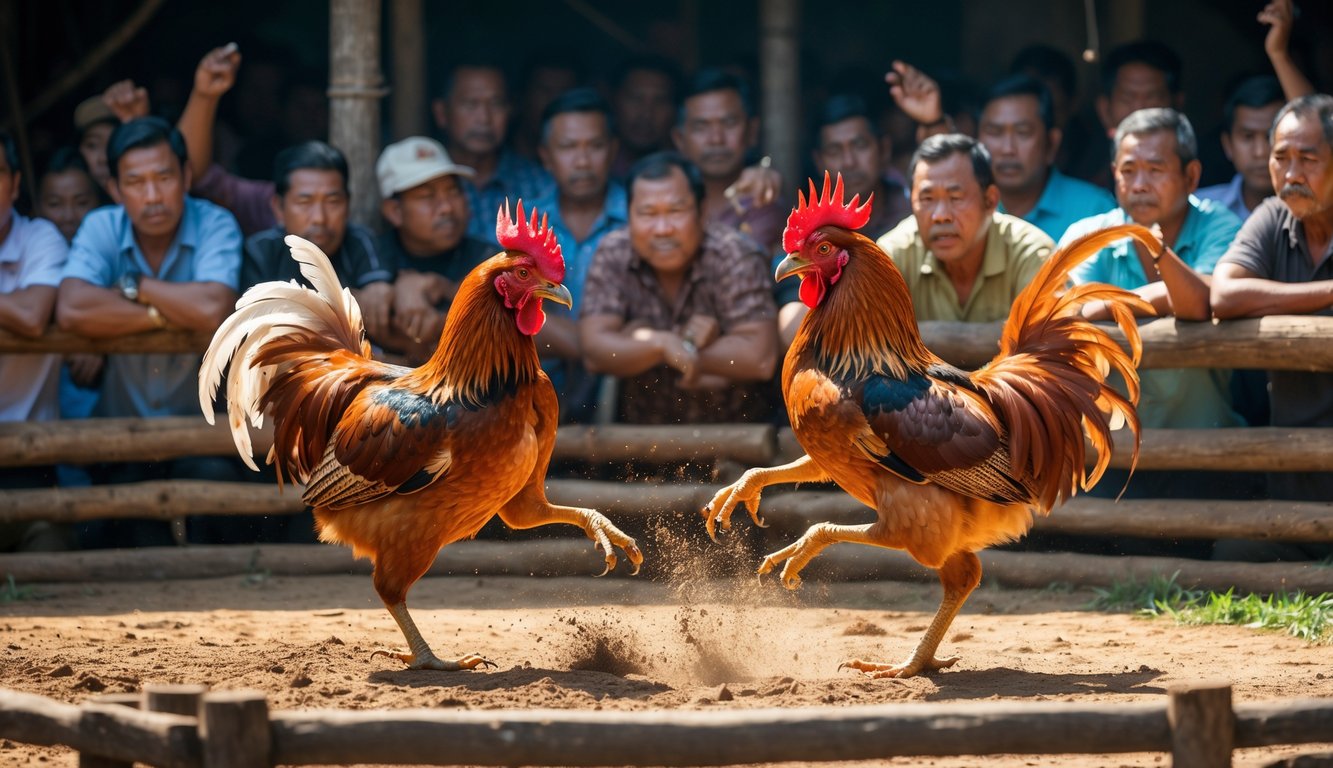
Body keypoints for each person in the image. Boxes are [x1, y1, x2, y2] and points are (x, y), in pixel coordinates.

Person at [56, 117, 244, 548]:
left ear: (187, 176)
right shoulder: (102, 227)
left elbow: (212, 307)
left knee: (221, 517)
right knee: (118, 537)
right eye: (136, 183)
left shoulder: (216, 223)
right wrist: (166, 315)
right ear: (115, 190)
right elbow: (71, 308)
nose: (153, 195)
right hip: (121, 439)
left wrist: (134, 287)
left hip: (200, 437)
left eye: (164, 177)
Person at [1063, 108, 1250, 519]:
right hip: (1109, 453)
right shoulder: (1088, 235)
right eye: (1129, 170)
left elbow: (1203, 301)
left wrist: (1122, 294)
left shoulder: (1221, 225)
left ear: (1192, 176)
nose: (1140, 183)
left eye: (1155, 168)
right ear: (1114, 174)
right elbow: (1071, 312)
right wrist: (1172, 292)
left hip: (1207, 450)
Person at [1211, 94, 1333, 561]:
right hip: (1294, 481)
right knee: (1231, 557)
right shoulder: (1272, 216)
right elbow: (1225, 294)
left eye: (1309, 158)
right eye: (1281, 157)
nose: (1292, 172)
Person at [580, 152, 778, 425]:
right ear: (628, 216)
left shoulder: (734, 254)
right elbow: (595, 351)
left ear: (702, 210)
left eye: (676, 211)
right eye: (648, 213)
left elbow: (760, 358)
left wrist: (640, 343)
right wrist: (662, 344)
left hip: (742, 441)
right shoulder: (613, 252)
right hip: (638, 446)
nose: (662, 229)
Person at [871, 134, 1054, 329]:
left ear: (990, 201)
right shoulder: (892, 255)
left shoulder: (1031, 253)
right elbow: (869, 341)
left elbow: (1049, 339)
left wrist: (922, 336)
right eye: (927, 199)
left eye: (956, 197)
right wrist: (1004, 335)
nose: (940, 216)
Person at [529, 88, 627, 422]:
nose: (583, 161)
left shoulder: (643, 218)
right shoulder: (525, 221)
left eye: (595, 146)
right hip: (533, 392)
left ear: (612, 150)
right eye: (569, 147)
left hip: (627, 390)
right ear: (545, 155)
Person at [240, 141, 392, 341]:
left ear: (347, 205)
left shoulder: (361, 243)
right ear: (278, 207)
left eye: (332, 202)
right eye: (305, 202)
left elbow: (379, 304)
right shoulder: (261, 252)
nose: (319, 217)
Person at [0, 130, 70, 552]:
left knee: (50, 555)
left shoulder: (40, 238)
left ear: (14, 183)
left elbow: (30, 316)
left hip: (30, 456)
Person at [373, 136, 493, 363]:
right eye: (427, 197)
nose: (447, 207)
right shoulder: (372, 259)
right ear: (394, 211)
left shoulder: (487, 258)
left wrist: (445, 289)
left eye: (453, 192)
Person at [977, 75, 1115, 241]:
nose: (1008, 149)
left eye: (1023, 132)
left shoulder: (1094, 210)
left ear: (1052, 143)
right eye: (994, 132)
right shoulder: (965, 208)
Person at [431, 61, 552, 243]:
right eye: (471, 104)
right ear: (441, 113)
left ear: (510, 111)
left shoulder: (539, 184)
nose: (484, 118)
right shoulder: (425, 186)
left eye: (496, 104)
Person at [671, 68, 785, 254]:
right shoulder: (662, 203)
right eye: (701, 127)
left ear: (752, 131)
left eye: (729, 123)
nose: (716, 139)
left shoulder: (765, 203)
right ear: (679, 139)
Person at [177, 43, 281, 236]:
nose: (261, 102)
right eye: (254, 90)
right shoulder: (256, 198)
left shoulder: (288, 178)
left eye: (272, 92)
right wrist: (205, 96)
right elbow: (191, 173)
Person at [810, 94, 911, 240]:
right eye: (834, 151)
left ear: (884, 150)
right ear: (818, 162)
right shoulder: (812, 230)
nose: (849, 162)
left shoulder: (909, 214)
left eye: (860, 146)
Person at [1197, 76, 1286, 222]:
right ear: (1227, 144)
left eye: (1271, 136)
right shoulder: (1197, 211)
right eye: (1248, 137)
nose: (1260, 152)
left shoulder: (1318, 212)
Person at [610, 56, 680, 179]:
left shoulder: (686, 172)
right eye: (635, 99)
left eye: (659, 101)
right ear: (614, 100)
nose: (646, 114)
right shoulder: (597, 170)